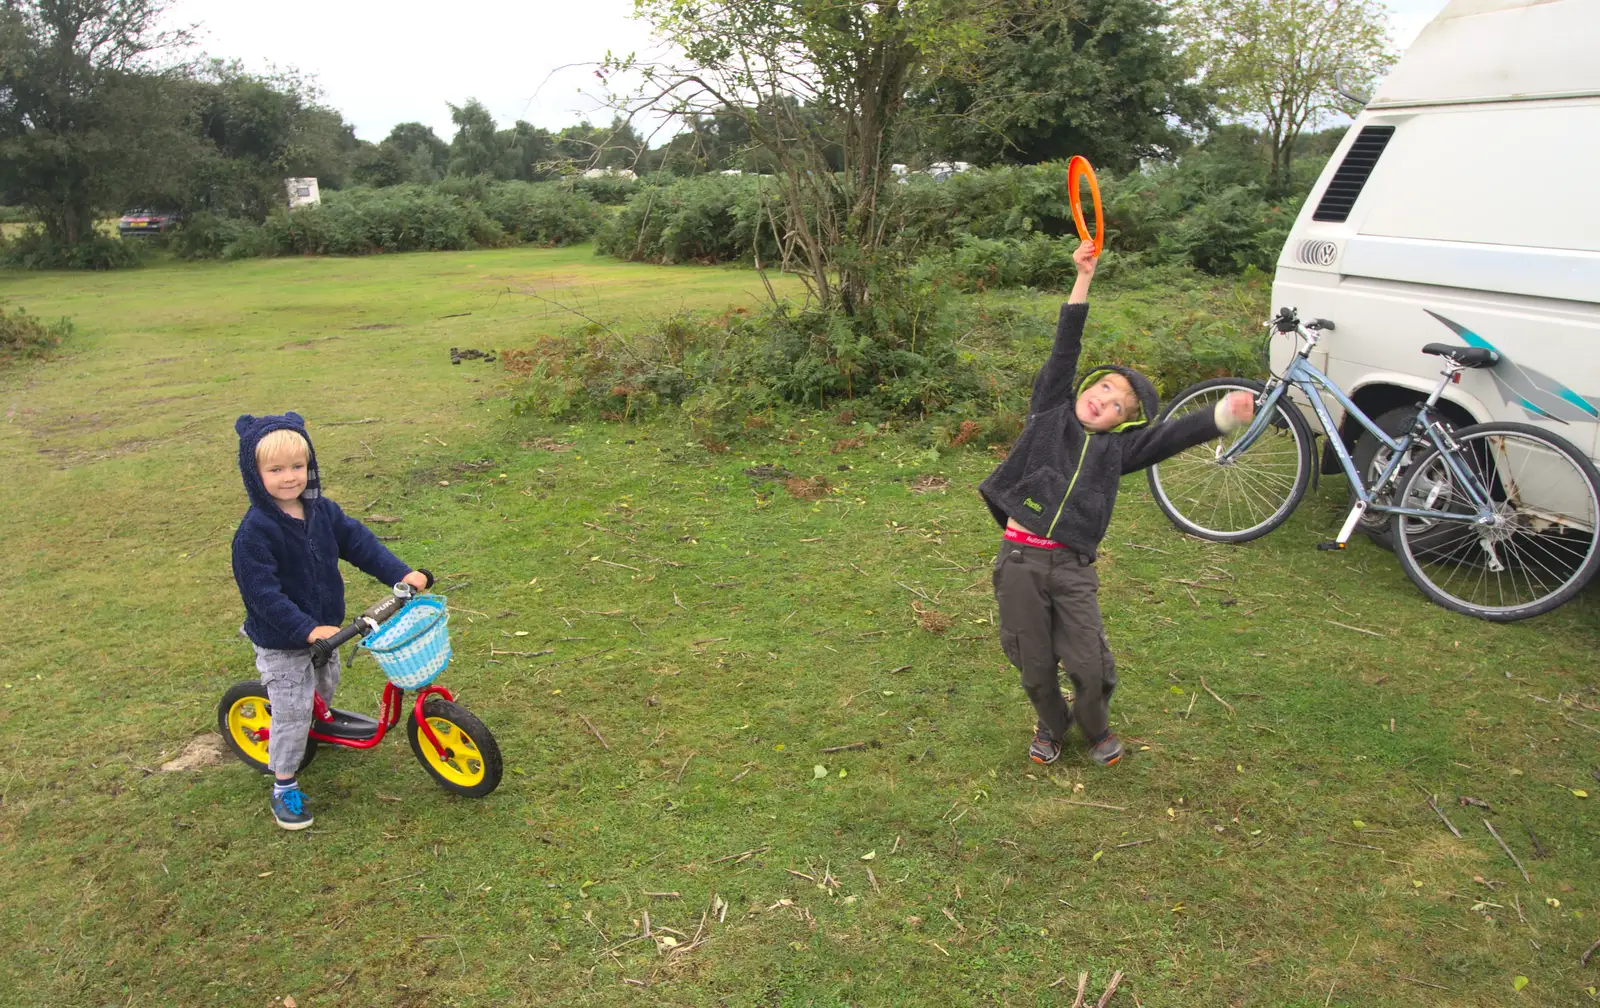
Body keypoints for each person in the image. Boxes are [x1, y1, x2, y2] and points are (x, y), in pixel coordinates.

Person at [978, 241, 1254, 766]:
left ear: (1124, 423)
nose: (1103, 399)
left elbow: (1173, 436)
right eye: (1103, 387)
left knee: (1089, 662)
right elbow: (1064, 350)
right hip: (1019, 562)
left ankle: (1095, 727)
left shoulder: (1118, 451)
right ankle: (1051, 725)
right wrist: (1082, 278)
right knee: (1030, 659)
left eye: (1117, 405)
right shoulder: (1049, 415)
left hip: (1073, 567)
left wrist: (1223, 414)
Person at [232, 412, 429, 829]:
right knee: (291, 712)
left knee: (324, 685)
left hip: (327, 632)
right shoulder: (255, 534)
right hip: (284, 639)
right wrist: (305, 629)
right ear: (255, 474)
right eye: (276, 469)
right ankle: (283, 785)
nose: (290, 477)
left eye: (298, 467)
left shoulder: (322, 512)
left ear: (311, 465)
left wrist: (402, 573)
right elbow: (263, 595)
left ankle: (317, 723)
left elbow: (360, 544)